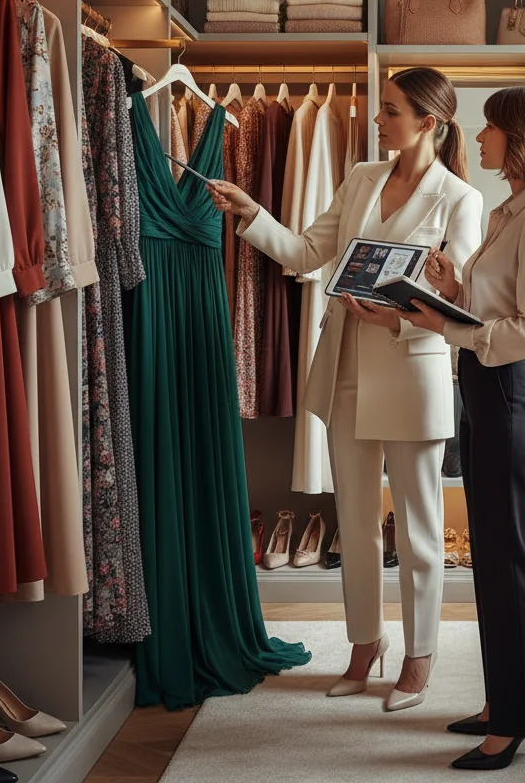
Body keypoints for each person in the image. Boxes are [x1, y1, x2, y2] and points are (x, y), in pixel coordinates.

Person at [206, 67, 482, 711]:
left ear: (427, 124)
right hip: (346, 367)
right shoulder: (361, 177)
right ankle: (365, 645)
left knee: (417, 529)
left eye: (390, 111)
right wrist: (252, 215)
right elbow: (306, 253)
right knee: (355, 523)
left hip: (412, 368)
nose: (378, 120)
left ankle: (419, 656)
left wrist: (411, 304)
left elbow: (460, 291)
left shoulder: (459, 199)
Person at [400, 85, 525, 770]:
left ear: (522, 135)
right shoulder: (510, 212)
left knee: (506, 564)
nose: (478, 138)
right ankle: (503, 699)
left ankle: (517, 717)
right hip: (486, 392)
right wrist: (451, 287)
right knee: (491, 561)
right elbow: (494, 307)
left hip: (508, 394)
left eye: (491, 128)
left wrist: (445, 325)